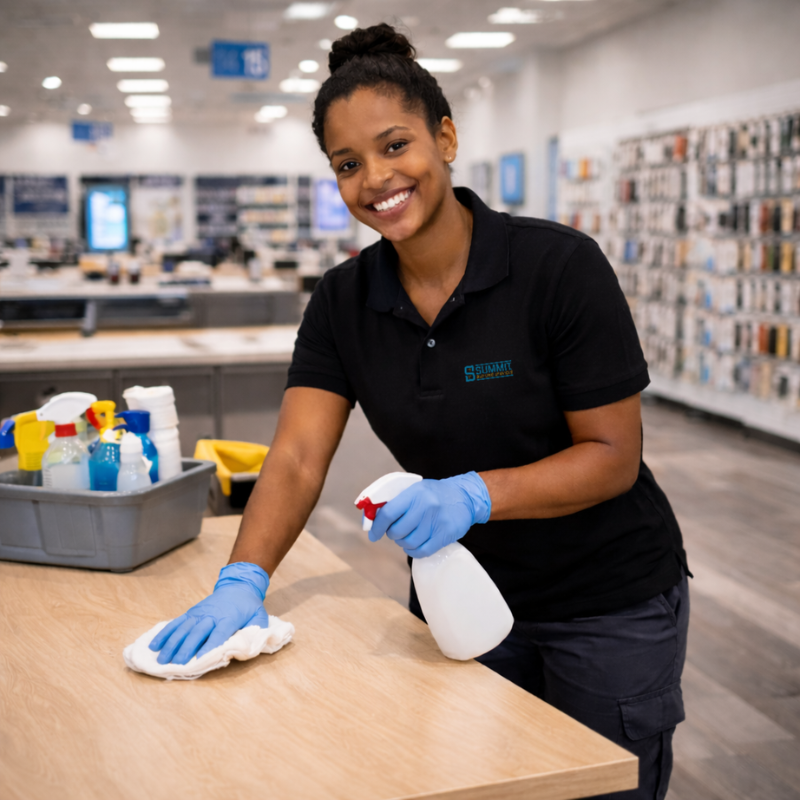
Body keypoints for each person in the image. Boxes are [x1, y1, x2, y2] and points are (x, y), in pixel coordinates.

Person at [150, 23, 690, 800]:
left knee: (601, 790)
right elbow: (299, 457)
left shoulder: (557, 268)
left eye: (395, 146)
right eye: (347, 164)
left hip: (605, 605)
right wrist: (244, 576)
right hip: (458, 596)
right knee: (471, 781)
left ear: (445, 137)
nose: (375, 177)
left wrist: (471, 495)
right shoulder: (344, 301)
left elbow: (612, 455)